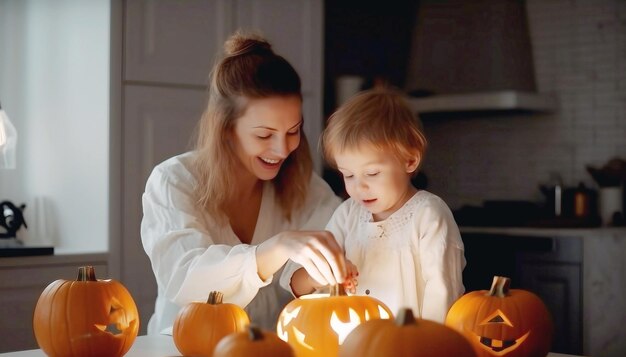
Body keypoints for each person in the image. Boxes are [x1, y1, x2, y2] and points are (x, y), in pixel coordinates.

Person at [140, 31, 346, 334]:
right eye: (264, 135)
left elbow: (340, 251)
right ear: (225, 129)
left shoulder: (309, 190)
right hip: (185, 348)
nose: (282, 149)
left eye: (293, 131)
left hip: (271, 350)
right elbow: (186, 278)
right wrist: (276, 248)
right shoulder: (172, 181)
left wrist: (320, 275)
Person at [283, 88, 466, 322]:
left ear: (409, 160)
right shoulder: (347, 214)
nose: (359, 187)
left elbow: (442, 295)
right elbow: (297, 285)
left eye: (372, 173)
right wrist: (323, 275)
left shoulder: (428, 215)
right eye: (348, 175)